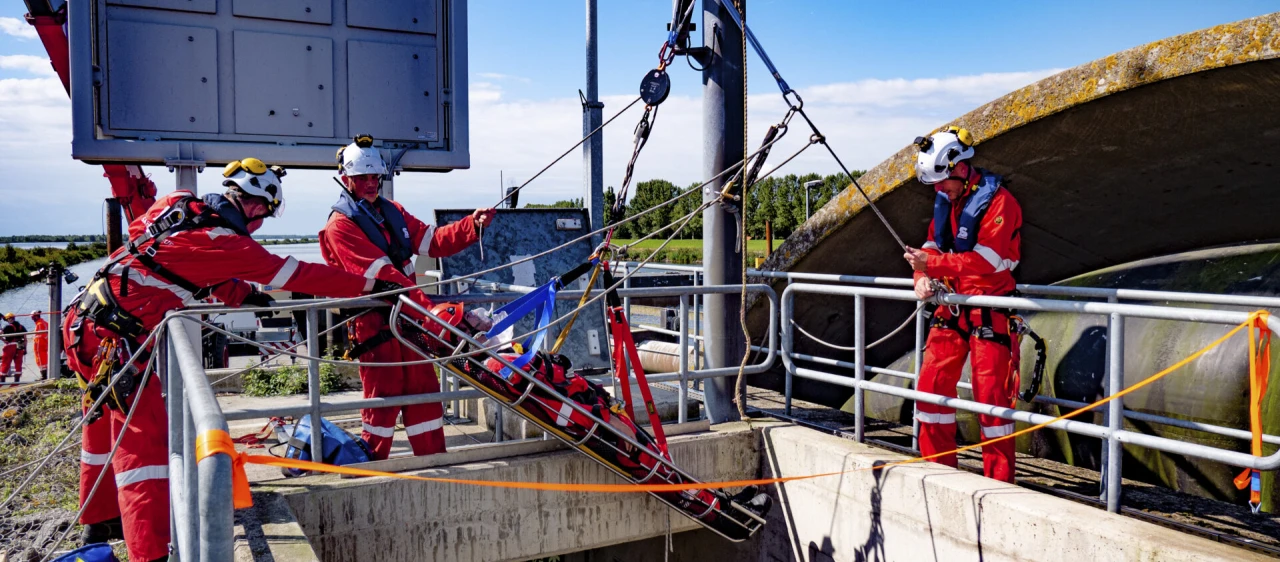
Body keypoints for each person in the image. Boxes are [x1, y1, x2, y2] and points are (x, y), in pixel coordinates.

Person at [66, 157, 406, 562]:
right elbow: (299, 274)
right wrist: (371, 286)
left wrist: (242, 294)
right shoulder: (231, 243)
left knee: (100, 426)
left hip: (85, 323)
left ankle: (99, 521)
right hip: (116, 341)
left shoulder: (180, 204)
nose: (259, 226)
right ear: (256, 206)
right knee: (145, 450)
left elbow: (184, 264)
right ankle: (150, 553)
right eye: (263, 216)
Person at [320, 134, 496, 460]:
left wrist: (472, 226)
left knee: (424, 393)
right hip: (376, 328)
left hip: (410, 323)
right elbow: (385, 278)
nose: (371, 183)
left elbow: (433, 241)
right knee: (382, 400)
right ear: (346, 180)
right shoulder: (340, 227)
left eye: (375, 177)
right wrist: (433, 314)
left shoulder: (393, 212)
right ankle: (374, 469)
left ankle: (433, 461)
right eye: (362, 177)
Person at [902, 126, 1024, 483]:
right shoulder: (947, 201)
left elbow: (986, 261)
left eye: (942, 182)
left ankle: (999, 487)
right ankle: (938, 474)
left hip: (989, 309)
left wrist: (932, 265)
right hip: (952, 307)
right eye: (935, 184)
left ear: (960, 167)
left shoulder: (1000, 203)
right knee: (930, 389)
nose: (938, 190)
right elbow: (931, 247)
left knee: (991, 403)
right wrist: (920, 277)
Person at [0, 313, 27, 383]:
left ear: (9, 319)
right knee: (18, 364)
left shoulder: (8, 327)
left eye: (7, 320)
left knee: (5, 363)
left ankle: (2, 381)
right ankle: (17, 381)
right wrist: (25, 349)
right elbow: (25, 339)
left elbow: (0, 334)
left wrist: (4, 340)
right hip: (20, 344)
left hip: (10, 345)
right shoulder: (21, 326)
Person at [31, 311, 49, 380]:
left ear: (36, 316)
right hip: (43, 345)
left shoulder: (40, 324)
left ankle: (44, 376)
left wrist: (37, 345)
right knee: (43, 360)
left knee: (41, 360)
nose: (32, 319)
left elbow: (41, 336)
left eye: (32, 317)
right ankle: (44, 374)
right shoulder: (43, 323)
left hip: (40, 346)